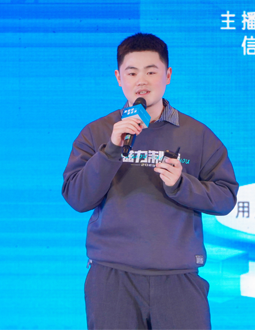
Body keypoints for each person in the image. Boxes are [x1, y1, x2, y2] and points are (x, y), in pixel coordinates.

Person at [62, 33, 238, 330]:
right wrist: (111, 150)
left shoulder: (197, 134)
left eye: (151, 72)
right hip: (112, 276)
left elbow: (226, 197)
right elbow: (77, 197)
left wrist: (182, 185)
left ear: (167, 75)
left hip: (178, 277)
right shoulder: (98, 132)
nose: (141, 81)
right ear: (119, 78)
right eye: (132, 73)